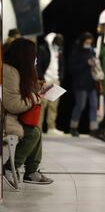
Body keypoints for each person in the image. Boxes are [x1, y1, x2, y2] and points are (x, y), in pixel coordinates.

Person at [3, 38, 54, 188]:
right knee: (33, 133)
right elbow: (13, 104)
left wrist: (37, 89)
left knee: (35, 131)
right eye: (33, 55)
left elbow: (20, 92)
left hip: (11, 116)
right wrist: (35, 98)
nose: (35, 58)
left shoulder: (15, 69)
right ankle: (10, 167)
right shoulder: (9, 72)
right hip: (7, 117)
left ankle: (31, 172)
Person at [69, 32, 99, 137]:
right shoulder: (76, 51)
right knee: (80, 105)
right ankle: (73, 127)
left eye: (90, 43)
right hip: (80, 83)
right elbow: (72, 68)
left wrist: (95, 63)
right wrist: (86, 63)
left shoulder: (92, 51)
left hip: (92, 83)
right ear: (82, 42)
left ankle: (93, 129)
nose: (88, 44)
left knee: (94, 105)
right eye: (86, 42)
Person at [37, 33, 65, 135]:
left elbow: (62, 64)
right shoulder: (43, 48)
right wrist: (41, 78)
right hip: (46, 80)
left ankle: (51, 127)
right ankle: (38, 128)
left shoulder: (59, 49)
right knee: (42, 105)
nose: (58, 45)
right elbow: (38, 64)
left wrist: (60, 77)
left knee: (53, 105)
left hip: (55, 80)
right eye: (57, 43)